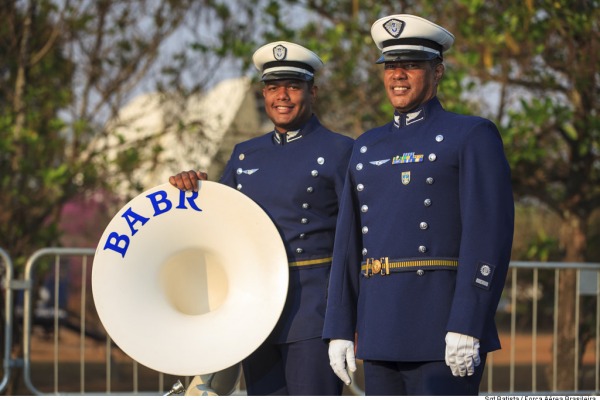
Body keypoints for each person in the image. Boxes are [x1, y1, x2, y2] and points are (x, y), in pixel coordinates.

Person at [322, 14, 514, 396]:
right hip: (378, 327)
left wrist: (468, 321)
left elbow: (487, 235)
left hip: (441, 327)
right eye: (390, 66)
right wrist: (340, 328)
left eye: (410, 65)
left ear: (437, 70)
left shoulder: (471, 135)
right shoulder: (366, 145)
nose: (397, 75)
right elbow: (348, 245)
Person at [169, 41, 353, 396]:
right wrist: (193, 188)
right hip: (256, 313)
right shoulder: (244, 155)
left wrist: (349, 318)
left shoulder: (340, 151)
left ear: (312, 92)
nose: (281, 96)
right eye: (272, 88)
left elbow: (358, 237)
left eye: (293, 87)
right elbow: (216, 222)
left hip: (314, 314)